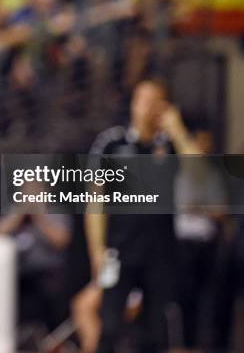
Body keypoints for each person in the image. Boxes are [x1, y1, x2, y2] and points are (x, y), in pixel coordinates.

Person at [83, 79, 201, 352]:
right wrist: (97, 250)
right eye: (142, 100)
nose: (147, 108)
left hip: (161, 252)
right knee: (109, 326)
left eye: (154, 101)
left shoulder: (171, 144)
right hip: (118, 250)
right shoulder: (112, 142)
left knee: (157, 332)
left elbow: (200, 177)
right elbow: (95, 200)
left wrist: (178, 130)